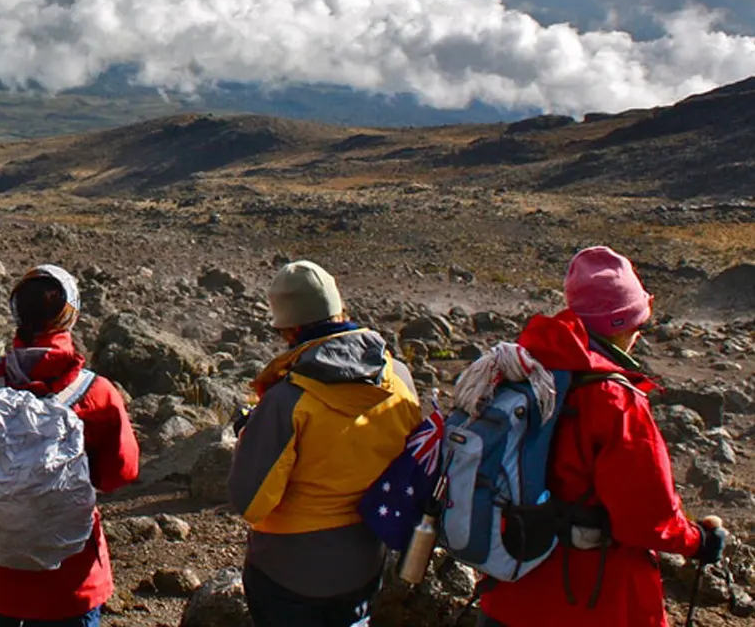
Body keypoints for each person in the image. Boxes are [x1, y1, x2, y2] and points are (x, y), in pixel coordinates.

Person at [477, 246, 727, 627]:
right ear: (620, 325)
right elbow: (647, 517)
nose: (639, 335)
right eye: (638, 324)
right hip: (591, 603)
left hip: (510, 587)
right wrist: (699, 541)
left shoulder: (522, 371)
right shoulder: (614, 399)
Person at [0, 265, 140, 627]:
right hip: (68, 578)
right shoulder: (97, 395)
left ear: (17, 312)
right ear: (71, 316)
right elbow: (119, 474)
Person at [228, 260, 419, 627]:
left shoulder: (287, 400)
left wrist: (249, 437)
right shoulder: (399, 378)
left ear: (289, 328)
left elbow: (249, 501)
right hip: (367, 556)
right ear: (339, 309)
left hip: (289, 570)